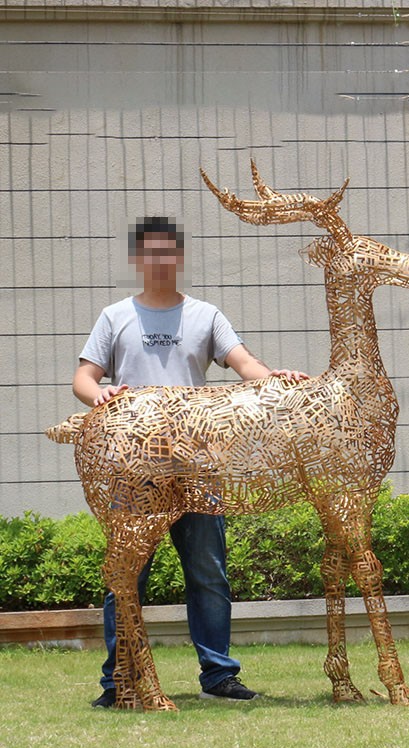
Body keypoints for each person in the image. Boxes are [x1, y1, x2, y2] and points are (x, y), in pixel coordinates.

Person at [73, 215, 307, 707]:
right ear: (139, 259)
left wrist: (272, 378)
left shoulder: (205, 315)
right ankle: (119, 681)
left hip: (198, 464)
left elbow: (245, 364)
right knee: (125, 574)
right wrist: (101, 394)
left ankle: (219, 675)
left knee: (207, 571)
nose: (160, 260)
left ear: (179, 258)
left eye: (168, 252)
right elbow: (84, 379)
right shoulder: (115, 316)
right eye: (150, 252)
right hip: (134, 469)